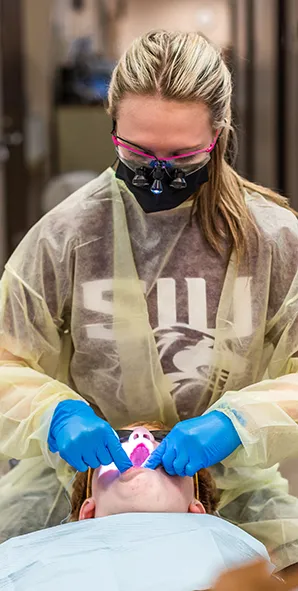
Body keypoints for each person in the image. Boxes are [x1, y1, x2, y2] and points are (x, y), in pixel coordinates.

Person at [0, 29, 297, 572]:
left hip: (234, 486)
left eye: (183, 157)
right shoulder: (68, 236)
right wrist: (55, 414)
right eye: (138, 152)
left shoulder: (274, 243)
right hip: (71, 482)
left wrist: (241, 423)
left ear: (220, 134)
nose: (158, 176)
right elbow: (5, 357)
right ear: (111, 124)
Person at [0, 423, 273, 591]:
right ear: (88, 512)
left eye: (167, 451)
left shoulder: (240, 563)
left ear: (196, 510)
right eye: (116, 443)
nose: (140, 437)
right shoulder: (17, 561)